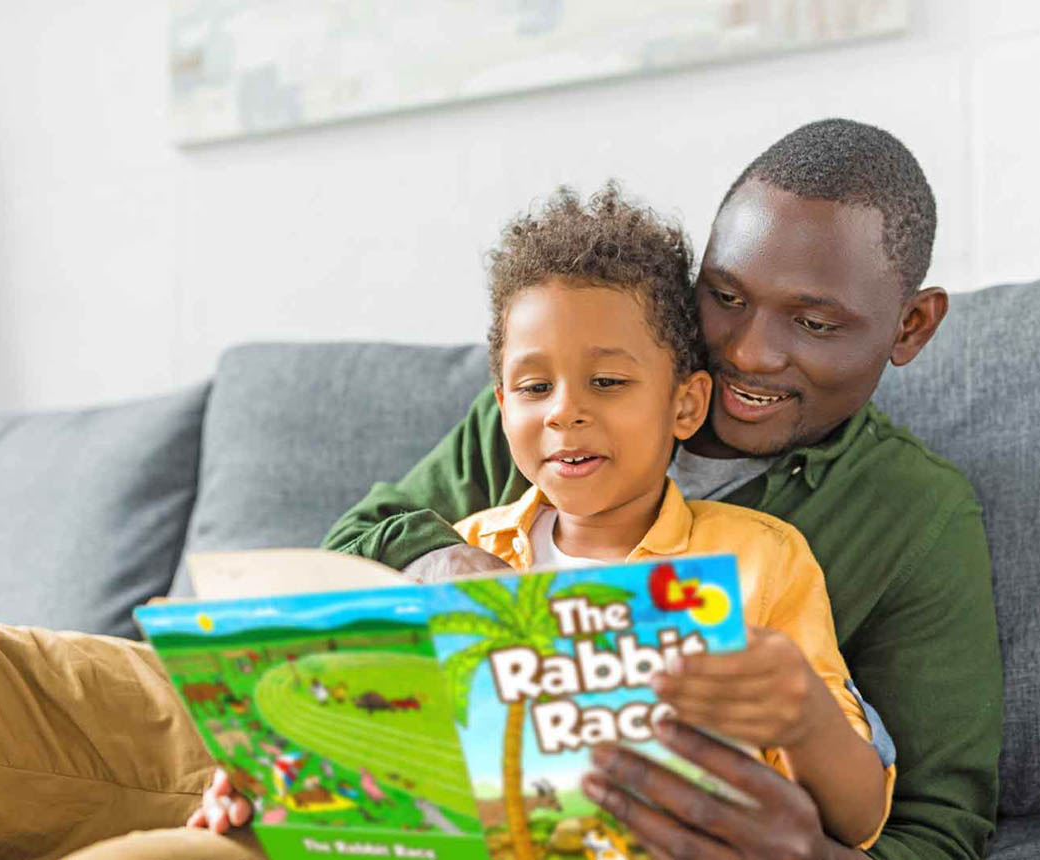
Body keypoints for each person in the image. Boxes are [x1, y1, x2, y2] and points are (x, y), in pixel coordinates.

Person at [322, 119, 1003, 860]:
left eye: (811, 322)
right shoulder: (544, 413)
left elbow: (938, 831)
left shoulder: (897, 519)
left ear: (910, 326)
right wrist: (447, 568)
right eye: (726, 296)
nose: (748, 352)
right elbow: (354, 550)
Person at [191, 184, 899, 849]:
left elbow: (859, 817)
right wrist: (274, 778)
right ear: (503, 409)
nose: (565, 411)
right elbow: (380, 754)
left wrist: (804, 713)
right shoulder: (462, 556)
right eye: (535, 386)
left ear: (685, 404)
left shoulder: (759, 560)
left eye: (608, 382)